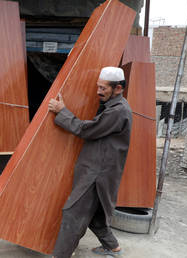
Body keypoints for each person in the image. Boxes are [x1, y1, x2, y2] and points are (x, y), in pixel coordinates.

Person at [48, 66, 132, 257]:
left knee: (73, 213)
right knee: (96, 215)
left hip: (97, 173)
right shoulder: (115, 107)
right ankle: (112, 247)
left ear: (118, 88)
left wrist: (62, 111)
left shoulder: (118, 111)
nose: (98, 92)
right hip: (100, 169)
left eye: (103, 88)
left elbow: (87, 130)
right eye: (98, 87)